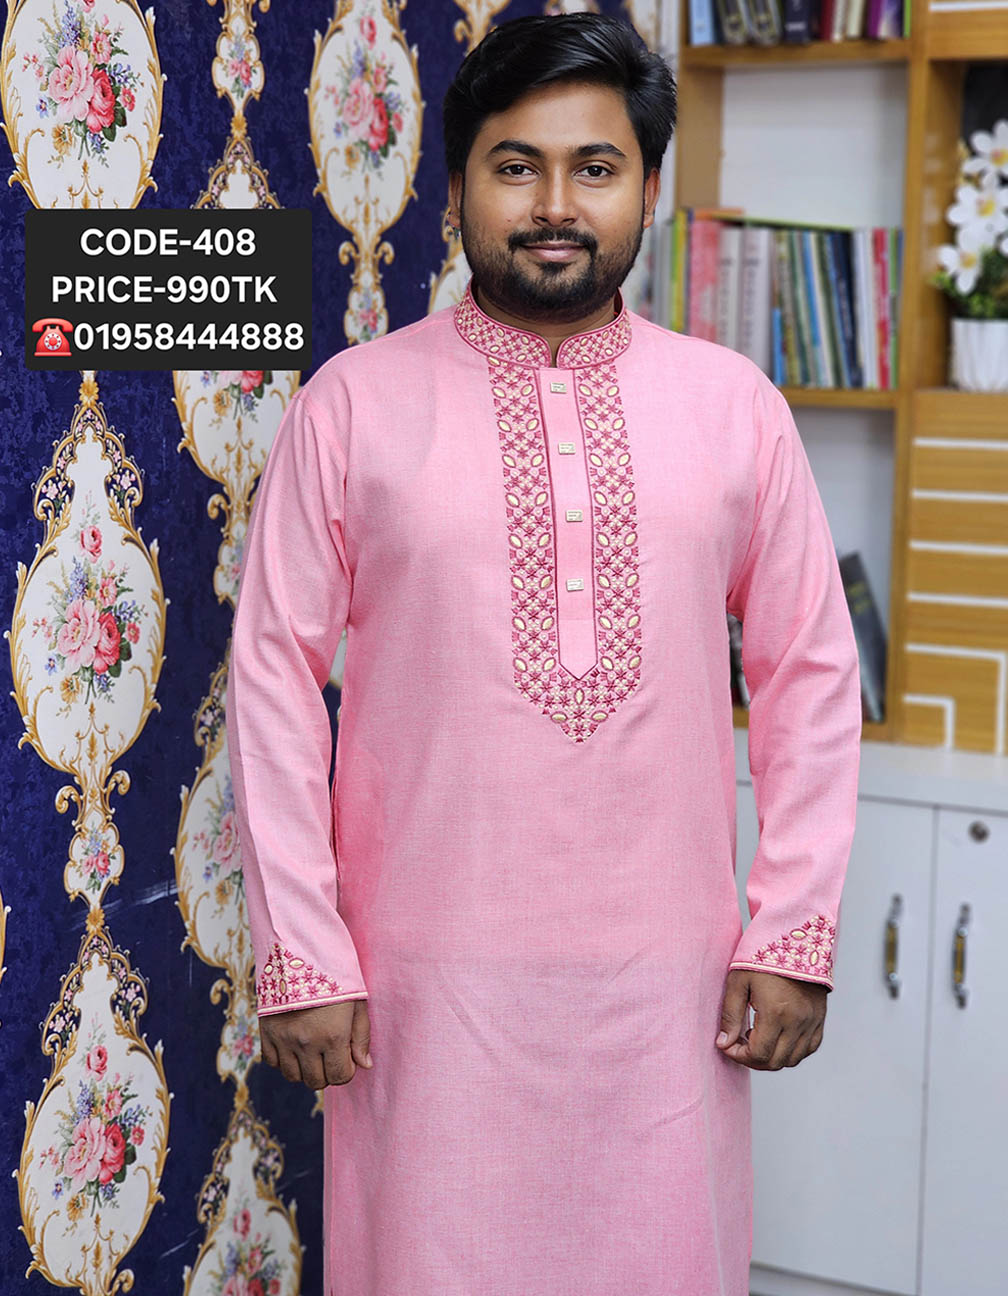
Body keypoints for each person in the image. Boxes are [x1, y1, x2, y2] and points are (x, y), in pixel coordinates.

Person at [225, 13, 862, 1296]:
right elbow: (272, 683)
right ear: (458, 187)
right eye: (516, 167)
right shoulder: (352, 404)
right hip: (422, 997)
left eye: (596, 167)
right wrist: (304, 953)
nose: (556, 205)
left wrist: (793, 932)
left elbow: (808, 673)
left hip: (669, 996)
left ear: (648, 188)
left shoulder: (734, 407)